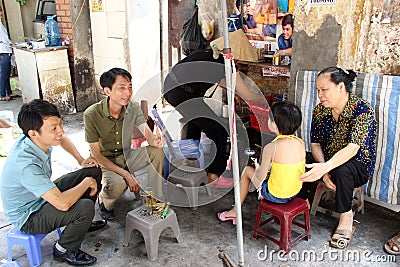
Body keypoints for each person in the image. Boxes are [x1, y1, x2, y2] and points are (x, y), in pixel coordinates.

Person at [0, 99, 106, 266]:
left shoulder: (37, 138)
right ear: (33, 133)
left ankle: (82, 224)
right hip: (29, 216)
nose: (61, 131)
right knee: (84, 205)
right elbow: (63, 204)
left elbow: (61, 138)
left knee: (92, 170)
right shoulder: (25, 164)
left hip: (40, 197)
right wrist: (86, 183)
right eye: (54, 128)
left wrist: (80, 160)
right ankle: (64, 249)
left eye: (60, 124)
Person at [298, 67, 377, 249]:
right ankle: (302, 202)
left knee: (343, 169)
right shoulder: (321, 111)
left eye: (324, 90)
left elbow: (352, 148)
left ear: (341, 87)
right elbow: (315, 144)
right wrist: (323, 170)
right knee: (299, 156)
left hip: (357, 165)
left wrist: (325, 168)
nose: (320, 95)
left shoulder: (363, 111)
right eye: (318, 90)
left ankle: (346, 216)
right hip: (327, 161)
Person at [163, 49, 263, 189]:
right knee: (219, 131)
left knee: (195, 121)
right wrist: (267, 103)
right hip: (182, 93)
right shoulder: (228, 64)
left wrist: (233, 92)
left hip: (172, 88)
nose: (239, 63)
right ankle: (214, 176)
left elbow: (221, 79)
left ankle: (190, 160)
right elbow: (249, 96)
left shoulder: (212, 56)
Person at [84, 67, 164, 220]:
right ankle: (104, 201)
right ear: (107, 91)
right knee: (118, 184)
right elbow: (96, 154)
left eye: (130, 87)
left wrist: (155, 140)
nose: (127, 92)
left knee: (157, 151)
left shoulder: (133, 107)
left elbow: (147, 133)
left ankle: (155, 199)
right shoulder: (91, 114)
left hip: (127, 155)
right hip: (106, 161)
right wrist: (127, 175)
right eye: (122, 88)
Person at [217, 101, 305, 224]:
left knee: (247, 170)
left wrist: (258, 168)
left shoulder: (272, 147)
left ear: (274, 125)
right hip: (294, 191)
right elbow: (287, 167)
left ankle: (234, 211)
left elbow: (260, 177)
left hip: (276, 195)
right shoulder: (300, 143)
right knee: (257, 170)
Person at [0, 6, 18, 101]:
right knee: (4, 74)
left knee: (6, 73)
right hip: (4, 50)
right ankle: (2, 94)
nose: (1, 14)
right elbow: (4, 39)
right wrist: (12, 45)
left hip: (3, 50)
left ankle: (9, 92)